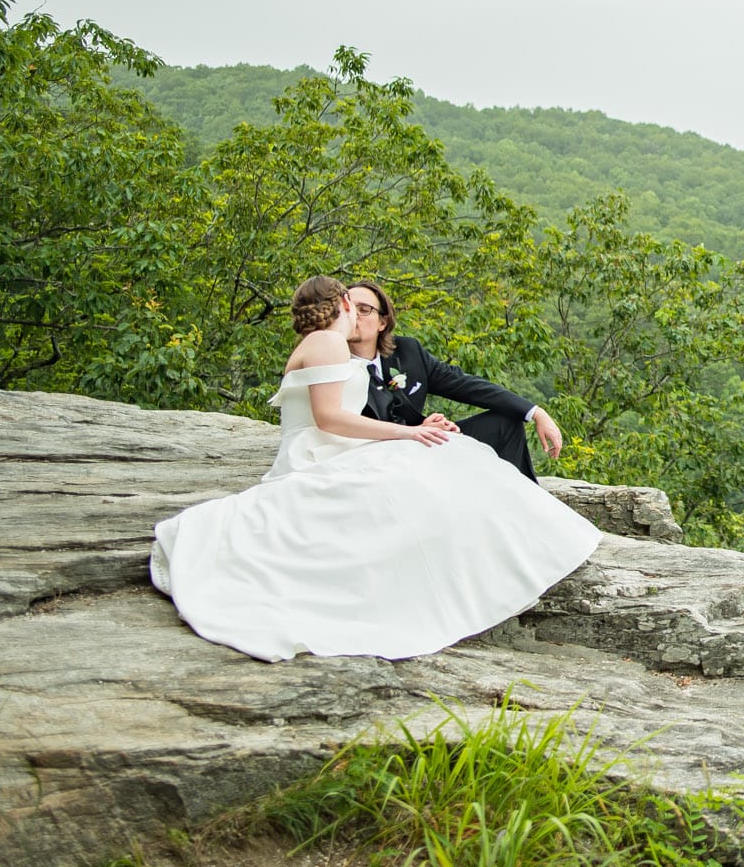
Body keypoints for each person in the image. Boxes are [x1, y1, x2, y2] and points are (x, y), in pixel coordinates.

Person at [148, 275, 602, 662]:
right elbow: (331, 417)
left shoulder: (395, 352)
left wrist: (525, 412)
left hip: (349, 444)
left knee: (468, 447)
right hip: (327, 451)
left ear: (383, 320)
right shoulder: (330, 346)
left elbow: (463, 385)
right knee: (431, 472)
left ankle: (521, 527)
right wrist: (412, 433)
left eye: (370, 309)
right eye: (355, 305)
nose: (360, 315)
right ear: (343, 306)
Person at [345, 279, 563, 482]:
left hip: (427, 445)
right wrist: (418, 430)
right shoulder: (335, 365)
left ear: (382, 322)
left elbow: (464, 384)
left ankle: (523, 503)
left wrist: (536, 412)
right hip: (376, 460)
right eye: (347, 308)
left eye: (364, 309)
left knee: (505, 424)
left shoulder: (407, 351)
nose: (353, 315)